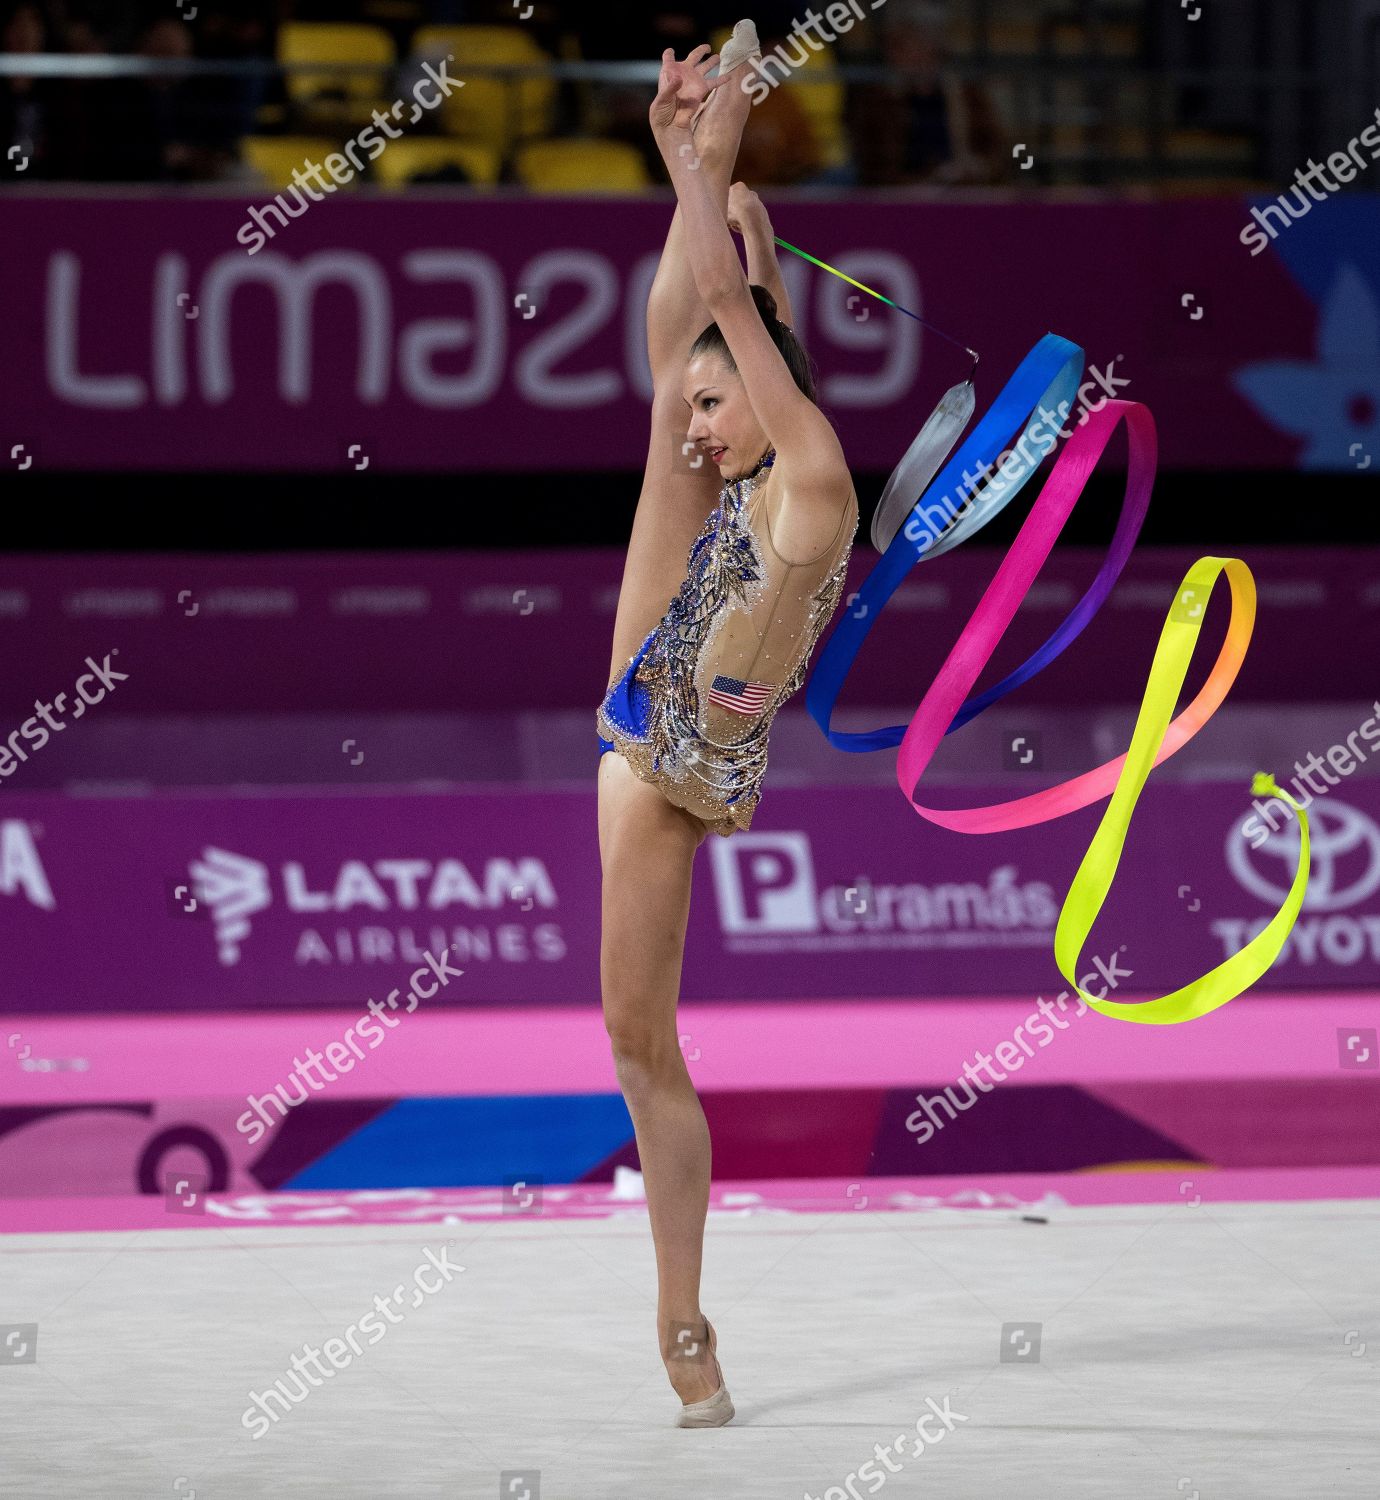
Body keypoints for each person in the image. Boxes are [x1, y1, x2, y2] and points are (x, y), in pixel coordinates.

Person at [595, 21, 858, 1427]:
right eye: (698, 403)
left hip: (691, 762)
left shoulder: (812, 478)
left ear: (768, 400)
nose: (700, 422)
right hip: (651, 695)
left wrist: (713, 167)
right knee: (632, 1046)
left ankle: (683, 1313)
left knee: (645, 1045)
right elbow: (697, 321)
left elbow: (730, 315)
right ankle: (681, 1307)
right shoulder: (725, 444)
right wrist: (700, 158)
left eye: (719, 405)